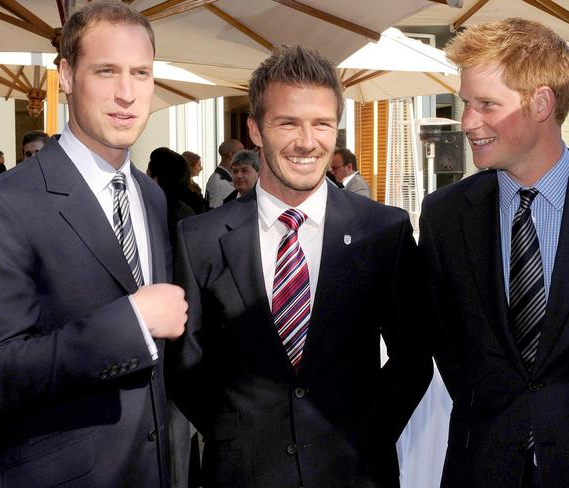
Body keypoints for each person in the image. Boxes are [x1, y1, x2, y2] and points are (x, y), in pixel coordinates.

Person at [169, 45, 432, 488]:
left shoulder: (382, 231)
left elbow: (413, 355)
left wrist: (368, 434)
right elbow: (184, 365)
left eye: (322, 124)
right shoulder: (200, 238)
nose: (307, 141)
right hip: (242, 473)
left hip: (355, 472)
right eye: (288, 122)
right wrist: (234, 434)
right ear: (255, 129)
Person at [0, 3, 188, 487]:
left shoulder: (151, 196)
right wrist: (129, 323)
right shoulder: (3, 204)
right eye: (106, 71)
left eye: (141, 73)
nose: (127, 93)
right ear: (67, 75)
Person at [419, 18, 569, 488]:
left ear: (541, 103)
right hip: (482, 466)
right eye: (467, 104)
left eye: (487, 104)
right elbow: (446, 342)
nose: (468, 121)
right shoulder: (445, 215)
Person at [204, 138, 243, 209]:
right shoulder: (217, 181)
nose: (244, 158)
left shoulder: (227, 178)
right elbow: (214, 212)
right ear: (231, 155)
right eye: (241, 154)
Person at [181, 150, 206, 214]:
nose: (201, 168)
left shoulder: (193, 185)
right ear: (190, 167)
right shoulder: (184, 189)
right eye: (199, 165)